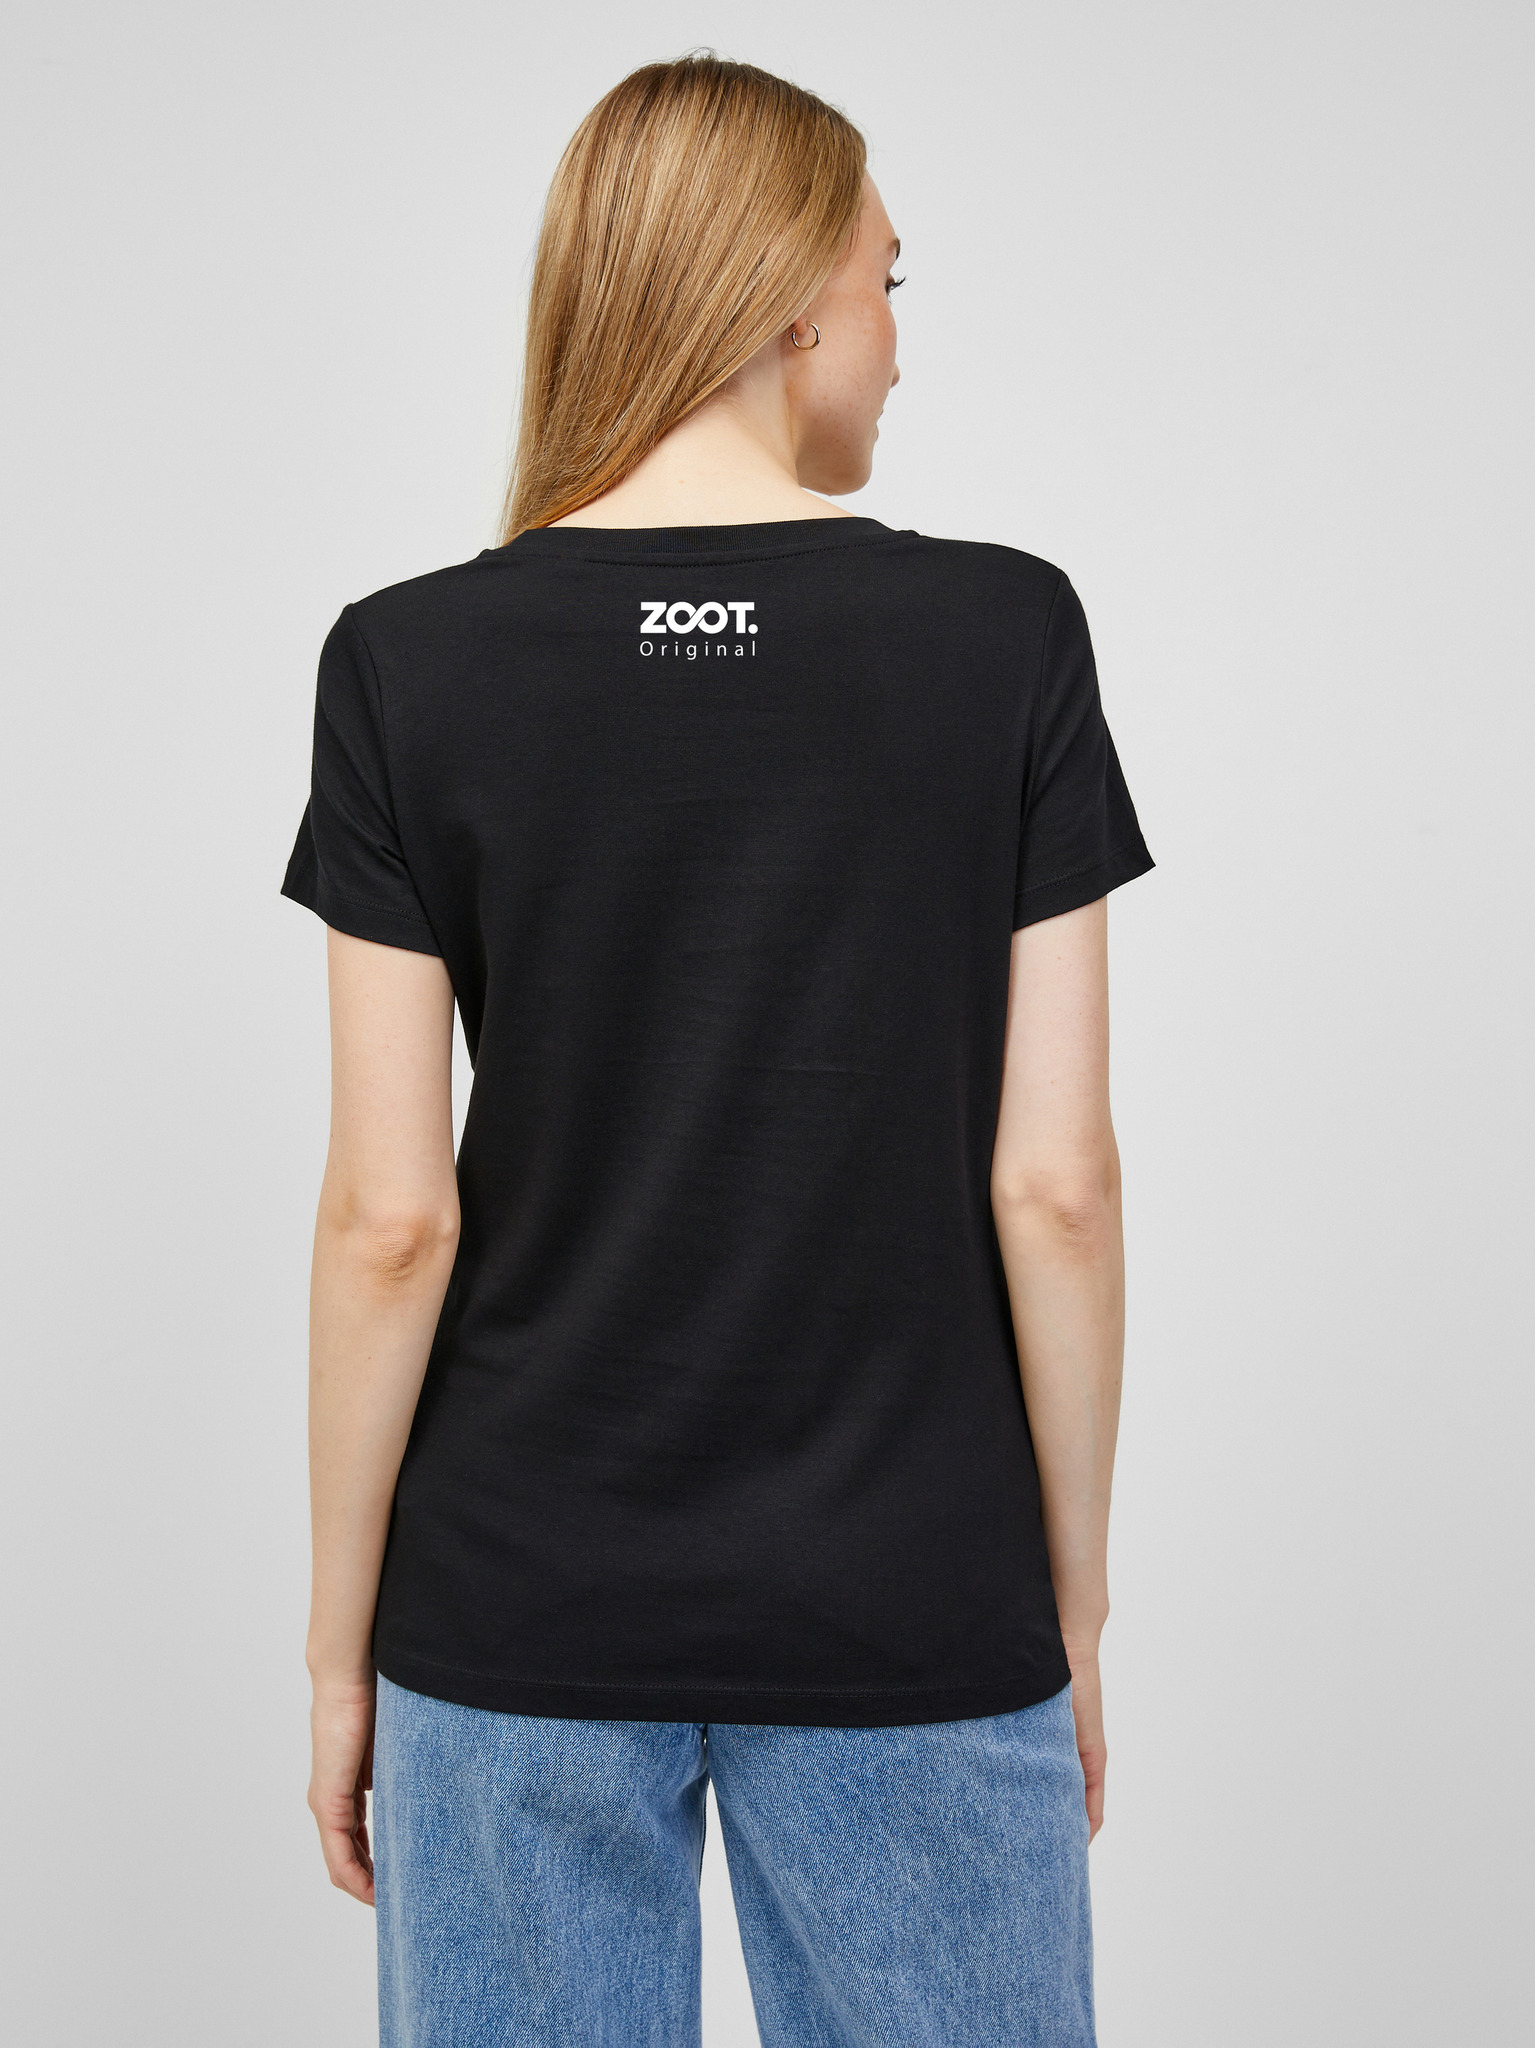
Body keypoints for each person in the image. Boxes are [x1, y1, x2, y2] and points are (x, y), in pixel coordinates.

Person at [282, 52, 1154, 2048]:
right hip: (918, 1596)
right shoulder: (1006, 636)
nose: (899, 345)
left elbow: (390, 1220)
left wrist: (340, 1654)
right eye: (888, 285)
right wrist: (1073, 1603)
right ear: (789, 301)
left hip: (508, 1609)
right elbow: (1057, 1185)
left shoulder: (406, 661)